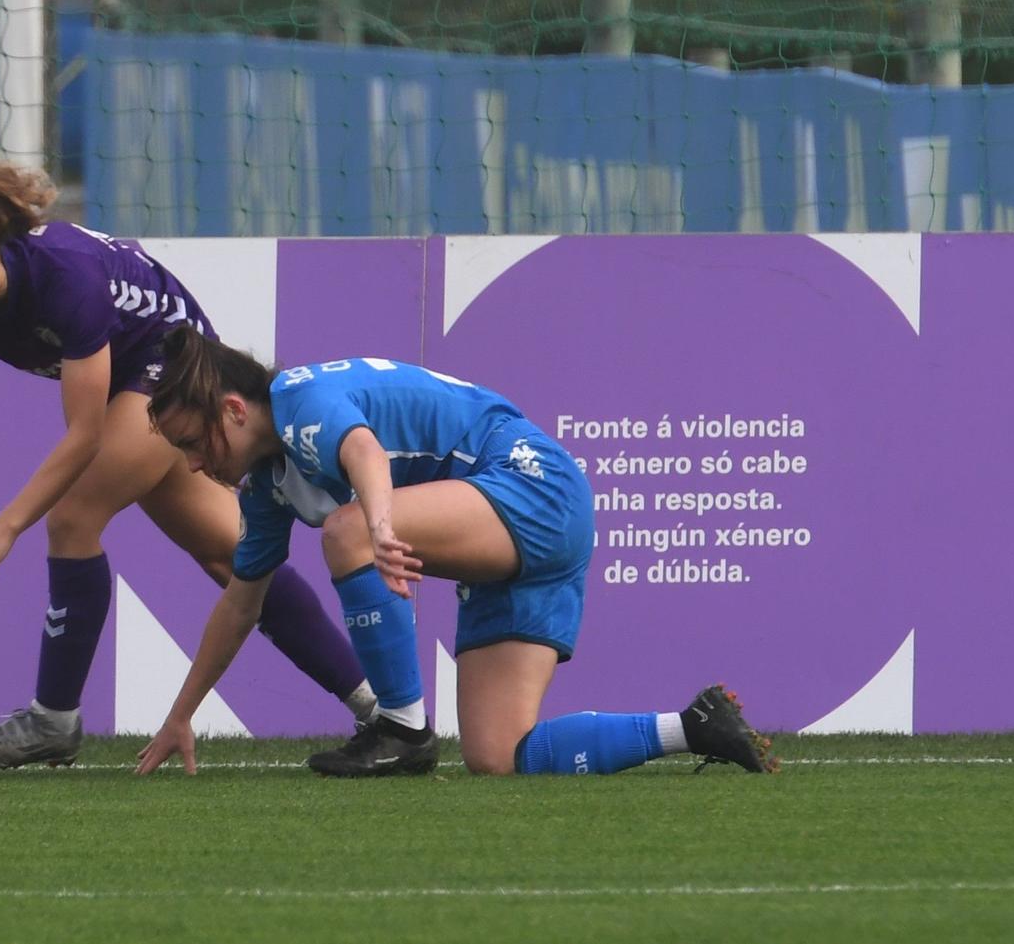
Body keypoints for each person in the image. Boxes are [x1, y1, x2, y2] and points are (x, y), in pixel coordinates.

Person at [0, 161, 374, 767]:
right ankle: (379, 707)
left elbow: (83, 436)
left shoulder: (63, 275)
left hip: (172, 361)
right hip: (124, 382)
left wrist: (6, 527)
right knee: (232, 556)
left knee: (72, 518)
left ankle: (53, 718)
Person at [133, 327, 778, 777]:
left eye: (193, 442)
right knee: (498, 755)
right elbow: (241, 605)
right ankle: (694, 726)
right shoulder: (269, 490)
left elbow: (360, 450)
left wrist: (379, 529)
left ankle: (404, 731)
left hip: (532, 486)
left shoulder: (298, 398)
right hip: (517, 528)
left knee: (348, 530)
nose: (192, 465)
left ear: (236, 410)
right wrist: (180, 716)